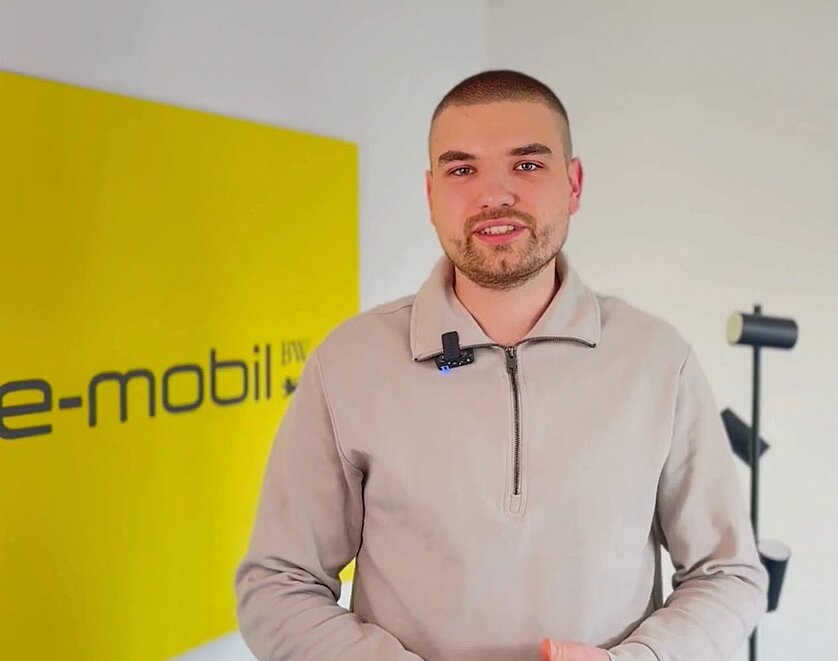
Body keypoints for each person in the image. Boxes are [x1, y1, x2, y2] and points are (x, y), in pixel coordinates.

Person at [235, 69, 768, 661]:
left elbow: (728, 575)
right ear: (431, 195)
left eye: (527, 164)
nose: (495, 195)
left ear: (573, 184)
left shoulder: (658, 361)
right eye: (462, 170)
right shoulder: (349, 364)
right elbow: (277, 585)